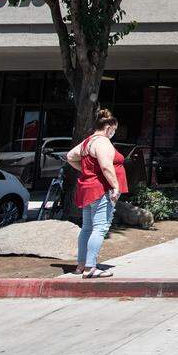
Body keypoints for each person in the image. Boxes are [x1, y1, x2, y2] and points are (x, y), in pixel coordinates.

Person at [66, 109, 127, 278]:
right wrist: (115, 186)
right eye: (114, 129)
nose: (114, 133)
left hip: (87, 188)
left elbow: (70, 156)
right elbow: (106, 166)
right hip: (101, 189)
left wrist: (87, 170)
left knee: (87, 228)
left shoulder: (88, 141)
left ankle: (81, 265)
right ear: (109, 127)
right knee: (100, 228)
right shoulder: (103, 142)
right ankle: (90, 267)